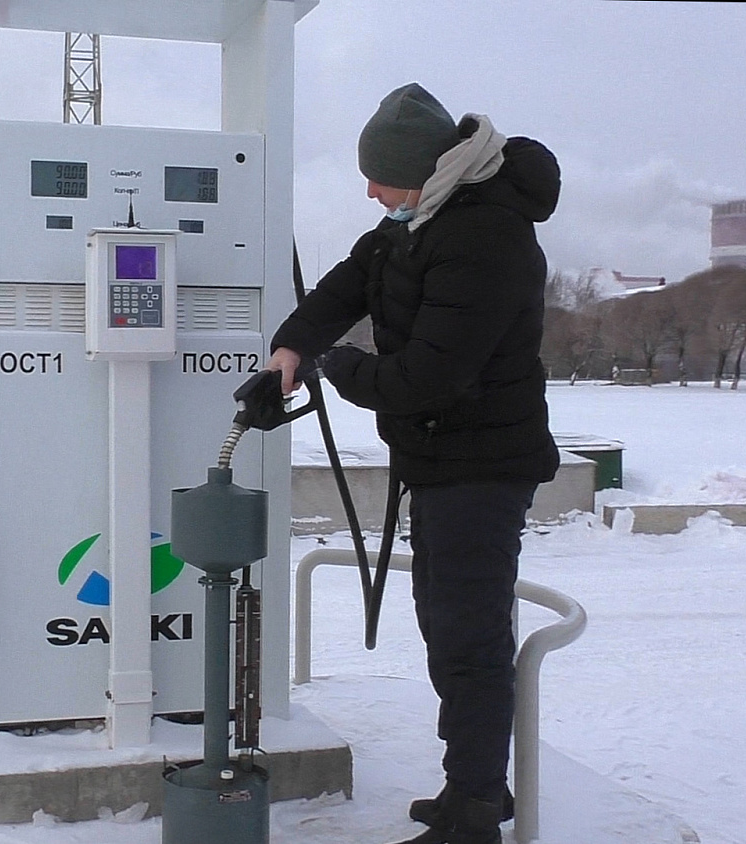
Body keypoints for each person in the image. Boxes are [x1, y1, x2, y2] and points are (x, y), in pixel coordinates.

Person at [266, 83, 561, 844]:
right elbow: (347, 283)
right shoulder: (416, 221)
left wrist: (335, 365)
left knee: (469, 632)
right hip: (440, 457)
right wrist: (291, 348)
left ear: (422, 171)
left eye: (378, 179)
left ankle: (474, 810)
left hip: (483, 462)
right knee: (446, 622)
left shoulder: (485, 234)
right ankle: (474, 784)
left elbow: (427, 375)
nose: (370, 194)